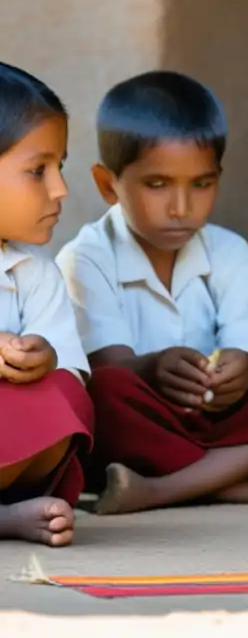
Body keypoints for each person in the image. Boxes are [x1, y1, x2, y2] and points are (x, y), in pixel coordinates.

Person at [56, 71, 248, 515]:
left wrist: (240, 368)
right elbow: (109, 367)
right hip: (142, 427)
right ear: (107, 185)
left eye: (201, 183)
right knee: (101, 392)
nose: (181, 207)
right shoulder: (86, 258)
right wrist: (153, 368)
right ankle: (246, 482)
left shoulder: (231, 253)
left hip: (221, 420)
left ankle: (161, 490)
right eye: (157, 184)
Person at [0, 62, 93, 546]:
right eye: (38, 170)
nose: (60, 189)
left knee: (67, 394)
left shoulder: (34, 271)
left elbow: (70, 374)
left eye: (60, 167)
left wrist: (45, 356)